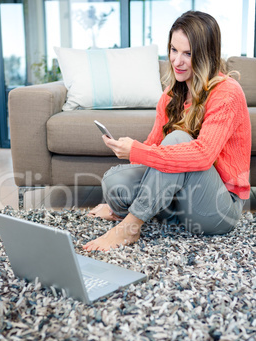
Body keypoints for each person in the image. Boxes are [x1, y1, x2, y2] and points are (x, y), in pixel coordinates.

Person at [83, 10, 251, 252]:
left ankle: (130, 226)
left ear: (206, 55)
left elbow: (203, 155)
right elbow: (154, 147)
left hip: (219, 206)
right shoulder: (171, 96)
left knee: (178, 141)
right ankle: (161, 215)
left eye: (188, 54)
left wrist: (137, 152)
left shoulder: (227, 93)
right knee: (113, 182)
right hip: (183, 201)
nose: (177, 61)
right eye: (174, 50)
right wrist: (133, 150)